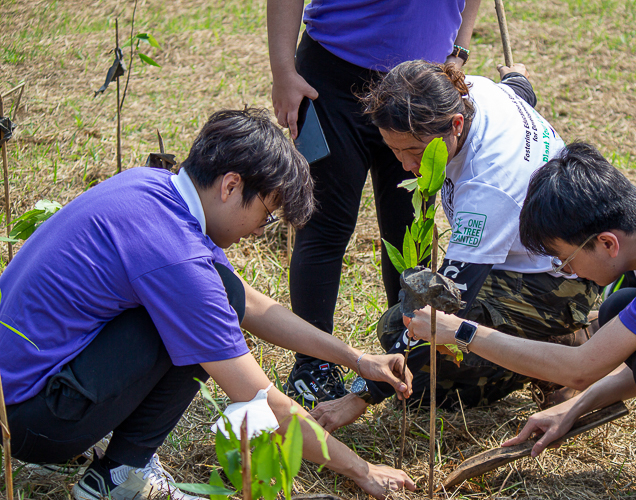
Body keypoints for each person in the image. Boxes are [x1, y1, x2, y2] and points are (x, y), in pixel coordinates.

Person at [1, 109, 416, 500]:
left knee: (223, 296)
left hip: (17, 392)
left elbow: (250, 303)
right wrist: (362, 470)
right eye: (267, 214)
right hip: (31, 422)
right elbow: (262, 401)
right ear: (231, 185)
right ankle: (119, 477)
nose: (259, 230)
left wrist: (357, 359)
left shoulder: (151, 188)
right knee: (201, 315)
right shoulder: (176, 257)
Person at [407, 142, 636, 488]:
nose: (567, 273)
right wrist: (574, 407)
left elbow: (582, 369)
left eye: (565, 261)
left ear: (607, 243)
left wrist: (463, 332)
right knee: (620, 308)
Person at [310, 60, 599, 433]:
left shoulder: (488, 185)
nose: (406, 164)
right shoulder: (470, 91)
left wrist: (358, 396)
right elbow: (516, 92)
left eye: (415, 150)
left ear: (456, 125)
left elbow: (441, 312)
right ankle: (555, 338)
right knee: (406, 326)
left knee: (422, 361)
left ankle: (557, 347)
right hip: (517, 258)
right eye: (394, 150)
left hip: (554, 280)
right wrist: (518, 78)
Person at [267, 0, 482, 407]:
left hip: (424, 92)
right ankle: (313, 365)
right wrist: (283, 70)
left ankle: (406, 360)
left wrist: (459, 50)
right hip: (329, 80)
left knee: (409, 232)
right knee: (324, 224)